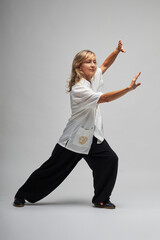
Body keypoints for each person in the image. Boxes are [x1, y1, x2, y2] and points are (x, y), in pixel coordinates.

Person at [13, 40, 141, 209]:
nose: (94, 64)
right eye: (88, 61)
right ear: (79, 67)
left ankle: (101, 199)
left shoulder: (93, 79)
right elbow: (105, 99)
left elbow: (105, 65)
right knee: (52, 170)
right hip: (73, 140)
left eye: (94, 61)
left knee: (109, 160)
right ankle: (21, 195)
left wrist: (116, 51)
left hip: (91, 136)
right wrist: (128, 89)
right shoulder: (79, 89)